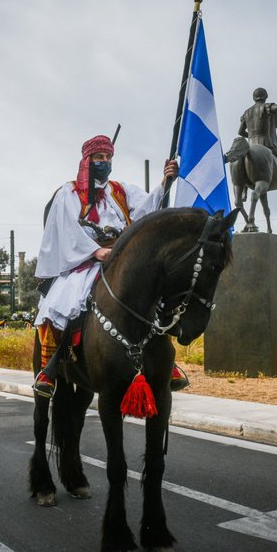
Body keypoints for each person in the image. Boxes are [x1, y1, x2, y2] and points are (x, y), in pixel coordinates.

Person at [31, 134, 187, 398]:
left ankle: (165, 360)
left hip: (121, 255)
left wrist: (165, 182)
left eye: (108, 158)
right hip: (85, 261)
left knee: (154, 295)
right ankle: (51, 367)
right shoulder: (69, 193)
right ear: (87, 160)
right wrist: (96, 251)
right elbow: (67, 230)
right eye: (99, 158)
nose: (105, 162)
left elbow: (147, 211)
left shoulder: (121, 190)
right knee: (62, 302)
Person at [238, 82, 277, 198]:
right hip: (267, 143)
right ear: (265, 96)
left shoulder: (246, 113)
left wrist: (252, 137)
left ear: (254, 98)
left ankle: (243, 189)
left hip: (250, 145)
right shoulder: (267, 107)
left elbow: (240, 132)